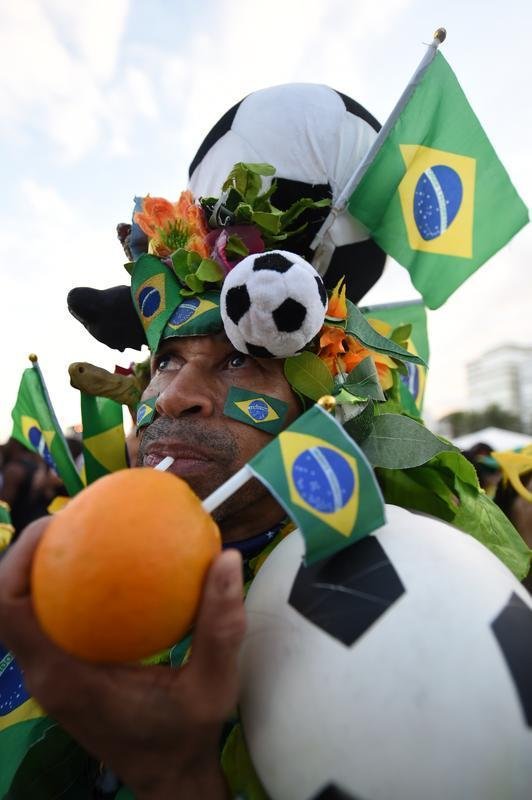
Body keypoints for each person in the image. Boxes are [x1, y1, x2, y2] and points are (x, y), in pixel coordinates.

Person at [1, 85, 529, 799]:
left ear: (319, 411)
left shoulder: (400, 613)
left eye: (237, 362)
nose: (174, 397)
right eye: (167, 360)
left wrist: (176, 776)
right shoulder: (30, 572)